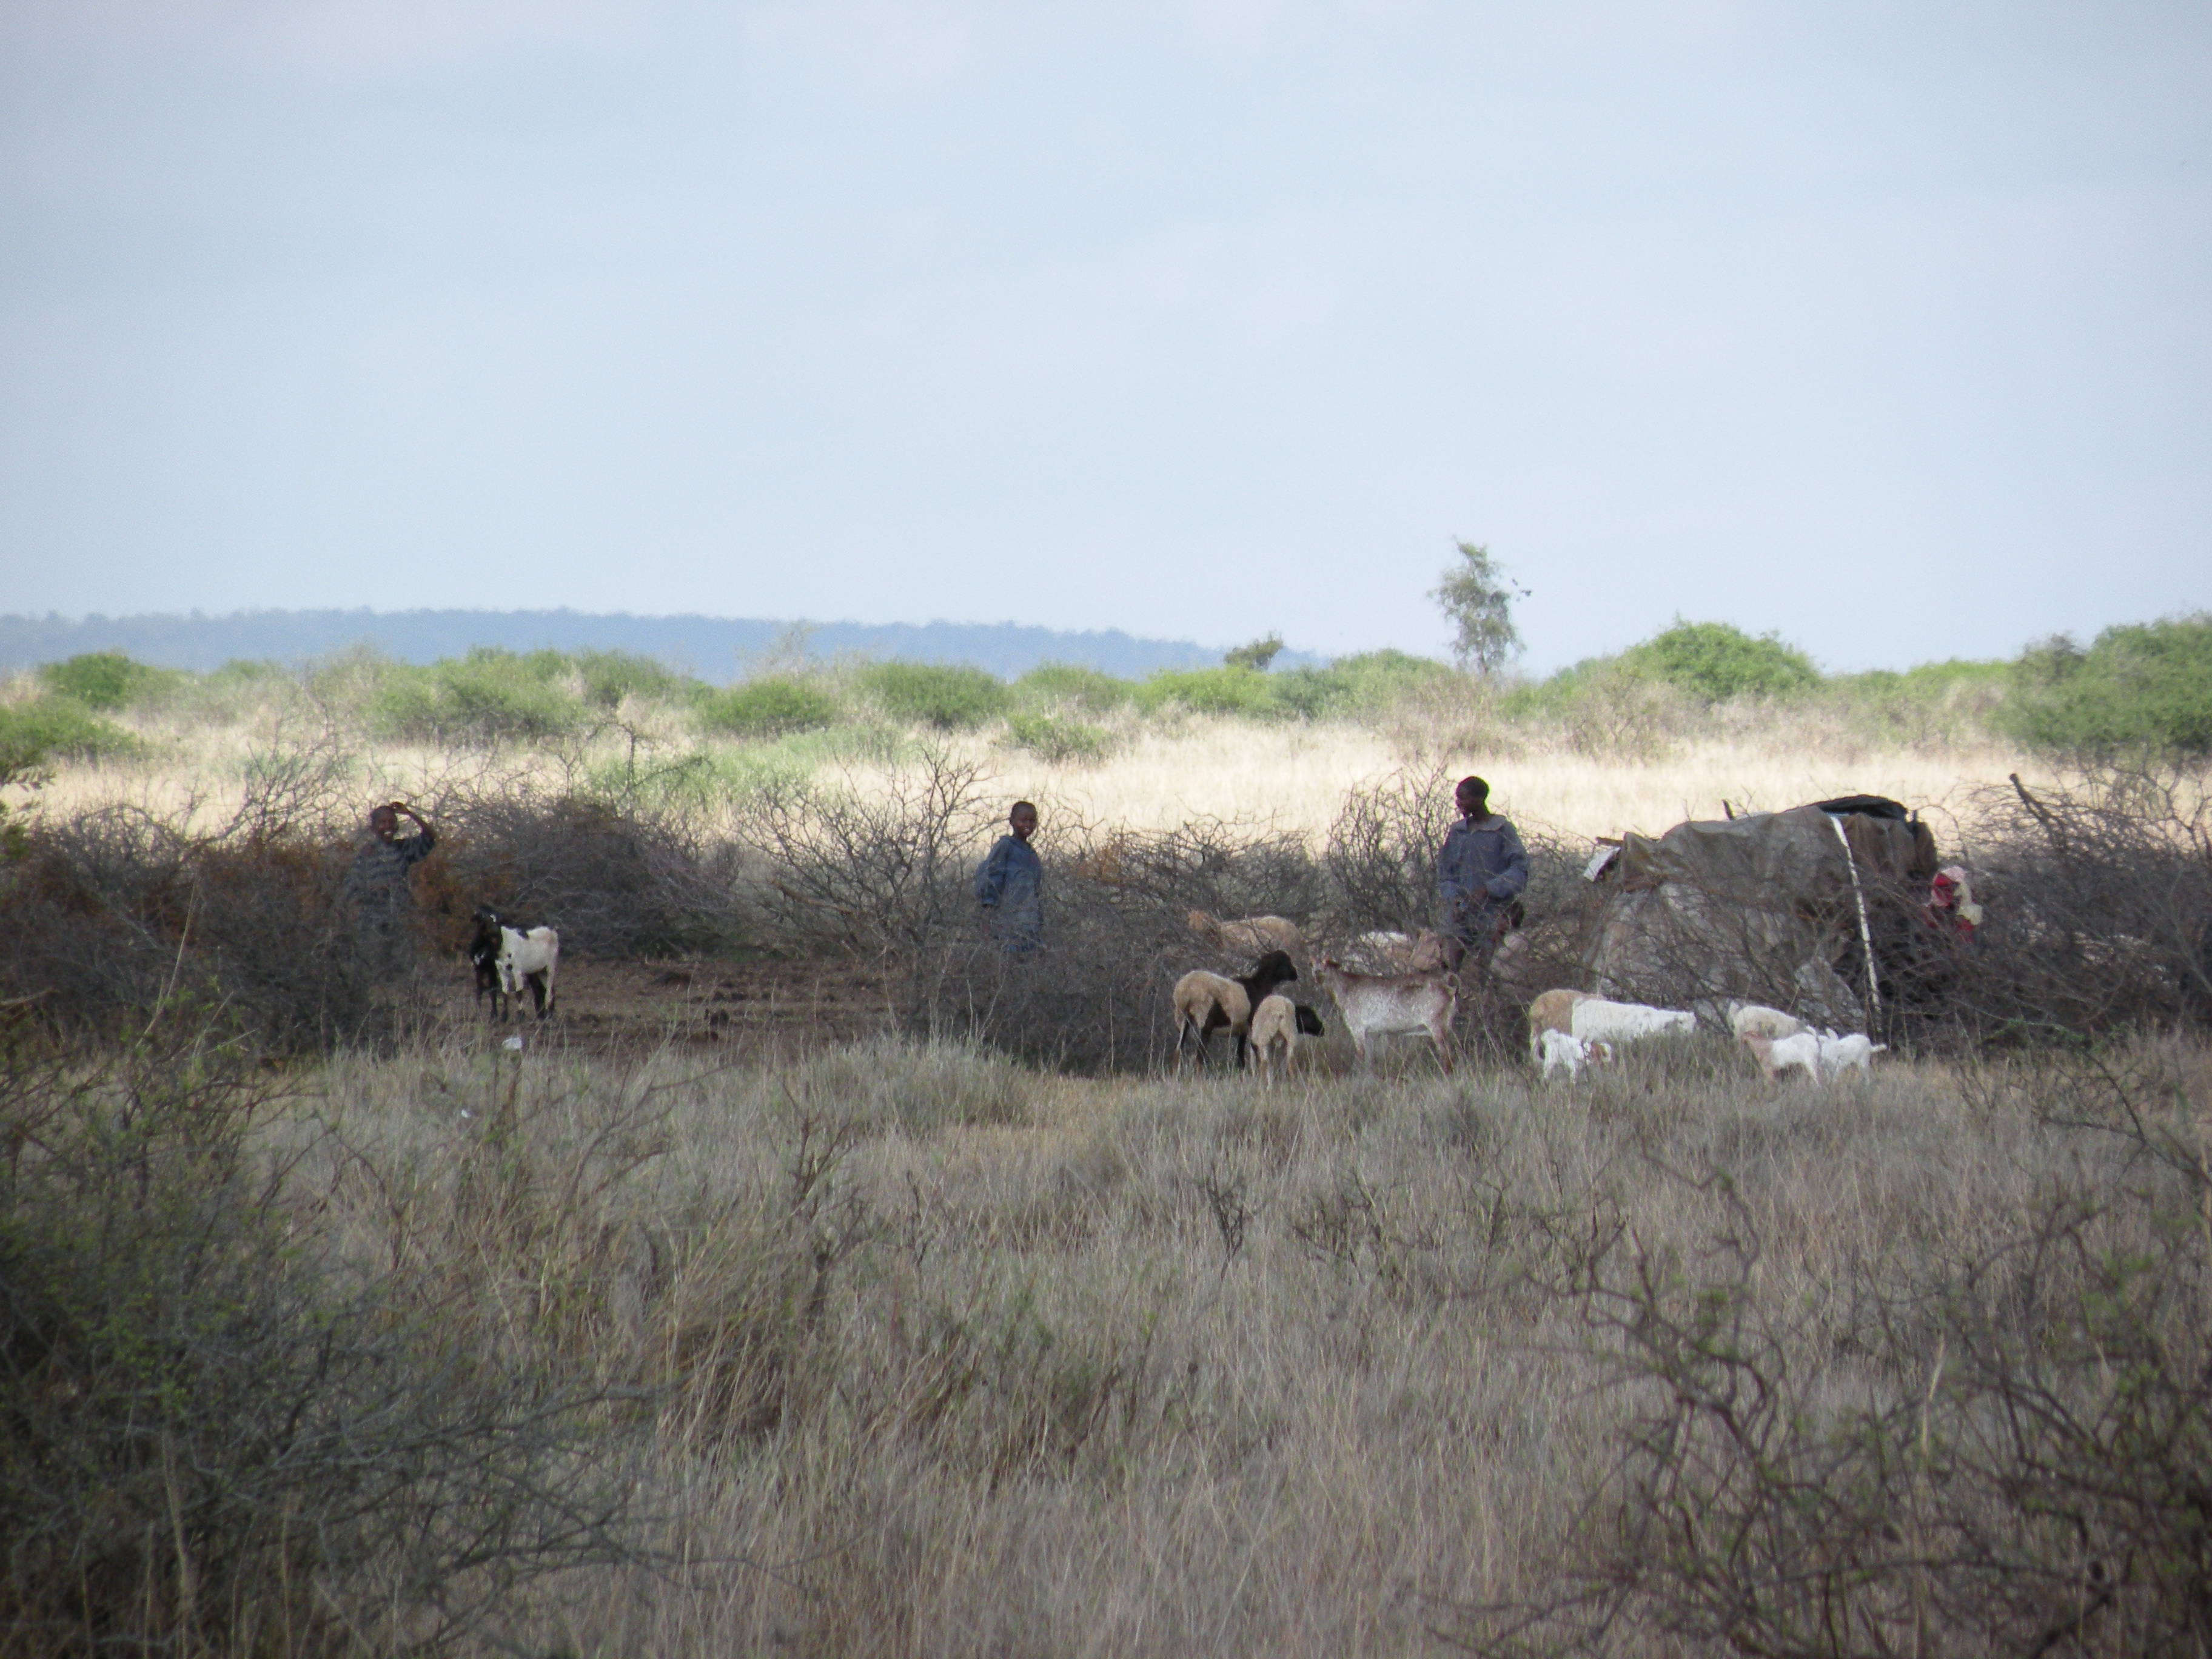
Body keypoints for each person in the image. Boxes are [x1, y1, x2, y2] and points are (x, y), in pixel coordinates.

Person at [1436, 775, 1529, 973]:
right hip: (1461, 914)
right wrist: (1455, 899)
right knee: (1452, 972)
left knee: (1490, 970)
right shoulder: (1457, 832)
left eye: (1463, 798)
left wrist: (1489, 890)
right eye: (1457, 797)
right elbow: (1445, 872)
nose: (1458, 802)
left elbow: (1520, 870)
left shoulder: (1502, 830)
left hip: (1493, 913)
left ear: (1480, 799)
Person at [346, 800, 438, 968]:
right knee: (376, 959)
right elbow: (352, 885)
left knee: (403, 958)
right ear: (374, 828)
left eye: (391, 821)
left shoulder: (403, 848)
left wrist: (410, 814)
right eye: (383, 822)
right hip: (372, 914)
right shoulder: (366, 854)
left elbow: (430, 837)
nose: (388, 826)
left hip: (400, 910)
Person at [974, 800, 1044, 953]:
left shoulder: (1032, 855)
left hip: (1030, 924)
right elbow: (992, 876)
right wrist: (988, 911)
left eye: (1032, 821)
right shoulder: (1006, 847)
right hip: (1008, 922)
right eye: (1023, 820)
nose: (1028, 824)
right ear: (1012, 821)